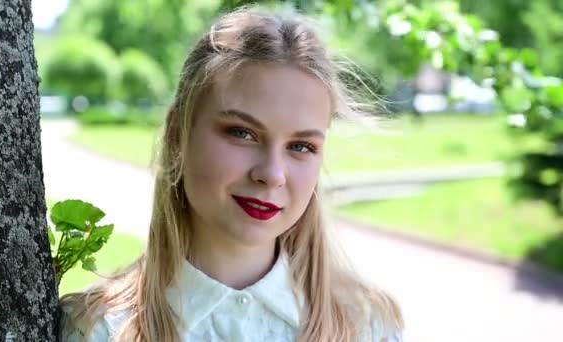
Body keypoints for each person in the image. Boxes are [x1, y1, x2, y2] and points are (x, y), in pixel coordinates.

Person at [60, 6, 404, 342]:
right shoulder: (99, 329)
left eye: (300, 146)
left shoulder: (366, 325)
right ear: (178, 134)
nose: (271, 174)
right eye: (242, 132)